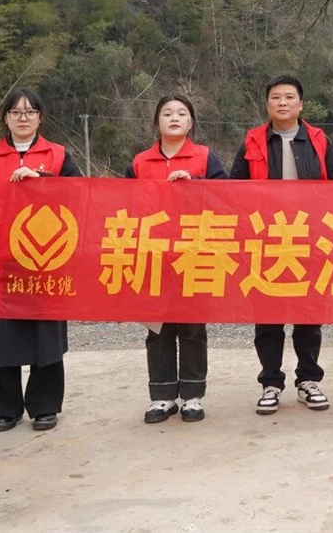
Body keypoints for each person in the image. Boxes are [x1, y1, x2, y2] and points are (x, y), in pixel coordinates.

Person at [0, 89, 81, 432]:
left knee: (45, 336)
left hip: (46, 262)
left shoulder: (58, 155)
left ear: (40, 118)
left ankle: (45, 406)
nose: (23, 118)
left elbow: (80, 195)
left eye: (30, 112)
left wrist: (42, 181)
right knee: (1, 335)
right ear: (6, 118)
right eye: (15, 112)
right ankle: (5, 409)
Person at [231, 75, 333, 415]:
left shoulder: (318, 140)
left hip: (309, 240)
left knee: (308, 315)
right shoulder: (252, 141)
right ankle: (271, 383)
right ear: (267, 104)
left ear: (301, 104)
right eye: (276, 98)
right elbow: (234, 188)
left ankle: (308, 380)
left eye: (289, 97)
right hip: (266, 241)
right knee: (268, 317)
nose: (283, 103)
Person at [127, 94, 228, 423]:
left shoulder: (205, 157)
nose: (174, 118)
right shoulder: (140, 162)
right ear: (156, 122)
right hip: (153, 254)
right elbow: (123, 204)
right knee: (157, 329)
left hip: (193, 253)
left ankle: (192, 395)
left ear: (191, 122)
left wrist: (195, 185)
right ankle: (162, 396)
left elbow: (227, 196)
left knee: (193, 328)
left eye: (181, 113)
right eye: (167, 113)